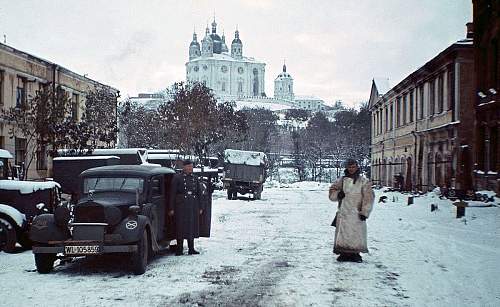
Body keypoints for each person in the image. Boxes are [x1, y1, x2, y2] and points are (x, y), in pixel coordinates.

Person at [329, 159, 374, 263]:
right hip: (344, 212)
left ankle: (355, 253)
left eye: (353, 167)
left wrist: (365, 212)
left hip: (356, 213)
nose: (351, 169)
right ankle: (343, 253)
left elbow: (369, 198)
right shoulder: (341, 180)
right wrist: (338, 194)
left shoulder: (364, 181)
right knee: (343, 233)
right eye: (349, 167)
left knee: (356, 233)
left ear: (357, 167)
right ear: (347, 168)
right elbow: (332, 191)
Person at [168, 160, 204, 256]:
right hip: (180, 205)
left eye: (191, 167)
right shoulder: (177, 178)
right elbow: (172, 194)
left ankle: (191, 248)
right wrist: (171, 208)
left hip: (192, 205)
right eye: (188, 166)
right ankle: (179, 249)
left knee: (191, 225)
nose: (190, 168)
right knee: (180, 226)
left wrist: (201, 206)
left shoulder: (195, 178)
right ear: (184, 167)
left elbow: (199, 193)